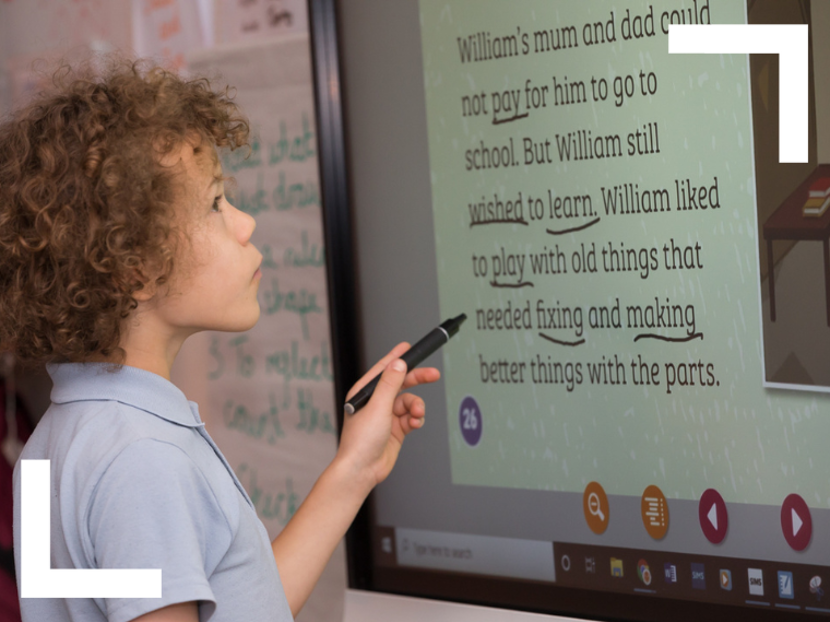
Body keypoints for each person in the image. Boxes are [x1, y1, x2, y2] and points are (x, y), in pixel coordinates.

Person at [1, 56, 439, 622]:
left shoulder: (49, 447)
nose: (245, 223)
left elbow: (243, 607)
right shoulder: (143, 459)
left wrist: (355, 468)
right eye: (214, 203)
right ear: (136, 267)